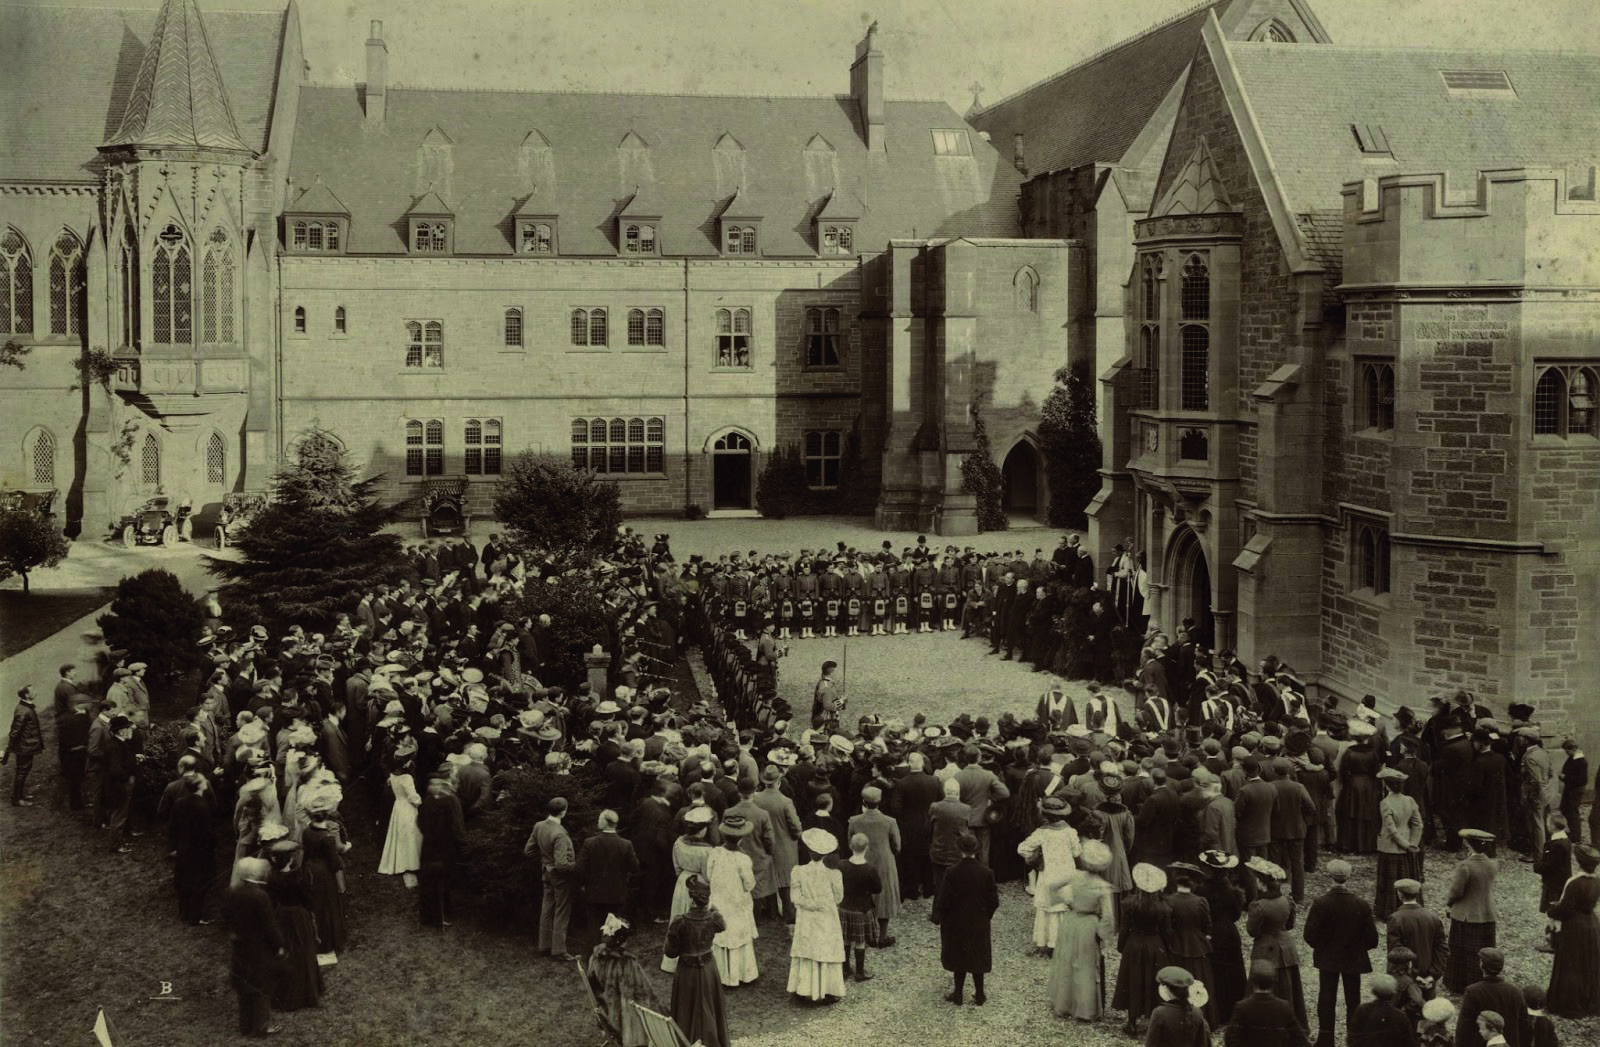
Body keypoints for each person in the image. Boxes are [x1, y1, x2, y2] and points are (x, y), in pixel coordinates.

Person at [1303, 859, 1377, 1047]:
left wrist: (1323, 948)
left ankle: (1325, 1039)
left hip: (1328, 959)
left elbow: (1309, 935)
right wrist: (1356, 949)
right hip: (1353, 959)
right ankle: (1354, 1039)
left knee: (1326, 998)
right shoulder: (1361, 904)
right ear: (1349, 877)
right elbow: (1372, 939)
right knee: (1354, 999)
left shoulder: (1321, 903)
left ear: (1330, 877)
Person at [1047, 839, 1115, 1021]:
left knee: (1067, 961)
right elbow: (1108, 916)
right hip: (1088, 924)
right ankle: (1084, 1010)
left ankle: (1064, 1005)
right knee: (1085, 966)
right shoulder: (1103, 887)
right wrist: (1103, 934)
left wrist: (1067, 901)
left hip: (1071, 920)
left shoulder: (1074, 875)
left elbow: (1052, 886)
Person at [931, 831, 998, 1006]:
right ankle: (980, 994)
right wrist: (986, 915)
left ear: (960, 849)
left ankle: (958, 994)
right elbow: (994, 901)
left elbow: (943, 900)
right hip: (978, 920)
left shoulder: (951, 872)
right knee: (978, 955)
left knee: (958, 955)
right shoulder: (987, 873)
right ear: (977, 850)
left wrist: (945, 919)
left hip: (956, 921)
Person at [663, 875, 730, 1047]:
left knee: (686, 1007)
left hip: (687, 972)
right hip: (708, 969)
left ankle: (686, 1040)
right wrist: (714, 909)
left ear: (691, 897)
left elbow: (670, 953)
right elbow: (722, 926)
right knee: (709, 1005)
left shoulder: (680, 922)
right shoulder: (714, 918)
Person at [1246, 856, 1307, 1032]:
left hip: (1265, 950)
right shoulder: (1287, 900)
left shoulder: (1258, 905)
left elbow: (1252, 932)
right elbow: (1290, 925)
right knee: (1288, 988)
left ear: (1261, 882)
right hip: (1286, 948)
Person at [227, 857, 286, 1037]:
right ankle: (261, 1027)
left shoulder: (232, 892)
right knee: (262, 988)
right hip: (260, 950)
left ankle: (245, 1026)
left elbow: (223, 916)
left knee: (244, 987)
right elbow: (270, 925)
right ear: (253, 874)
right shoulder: (260, 896)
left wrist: (232, 933)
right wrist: (279, 946)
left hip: (240, 948)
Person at [1017, 795, 1082, 955]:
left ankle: (1045, 942)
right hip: (1067, 873)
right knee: (1064, 908)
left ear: (1045, 815)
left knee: (1048, 909)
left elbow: (1022, 848)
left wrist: (1036, 856)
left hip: (1049, 873)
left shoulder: (1042, 833)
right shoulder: (1070, 831)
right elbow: (1077, 852)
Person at [1114, 863, 1174, 1037]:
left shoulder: (1130, 903)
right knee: (1154, 981)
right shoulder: (1163, 906)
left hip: (1134, 944)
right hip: (1156, 945)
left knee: (1133, 980)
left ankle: (1132, 1022)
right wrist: (1168, 949)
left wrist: (1122, 947)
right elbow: (1167, 931)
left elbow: (1124, 929)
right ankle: (1154, 1021)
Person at [788, 827, 847, 1003]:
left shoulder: (798, 871)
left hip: (806, 917)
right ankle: (828, 989)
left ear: (808, 850)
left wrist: (809, 905)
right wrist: (821, 904)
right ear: (826, 854)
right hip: (827, 917)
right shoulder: (834, 874)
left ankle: (804, 989)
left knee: (808, 948)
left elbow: (794, 897)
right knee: (825, 948)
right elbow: (839, 897)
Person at [264, 840, 323, 1012]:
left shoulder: (272, 877)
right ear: (289, 859)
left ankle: (285, 994)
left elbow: (271, 901)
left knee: (288, 952)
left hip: (282, 916)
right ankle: (306, 993)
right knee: (304, 951)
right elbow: (308, 900)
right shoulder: (299, 877)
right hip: (299, 918)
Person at [586, 915, 662, 1047]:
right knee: (655, 1009)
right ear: (622, 941)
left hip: (604, 1011)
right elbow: (642, 993)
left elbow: (594, 985)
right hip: (621, 1017)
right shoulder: (627, 964)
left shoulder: (595, 957)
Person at [1544, 842, 1599, 1017]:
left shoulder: (1574, 882)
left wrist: (1551, 910)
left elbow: (1565, 909)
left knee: (1572, 965)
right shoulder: (1597, 881)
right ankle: (1588, 1000)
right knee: (1588, 964)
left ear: (1578, 861)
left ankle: (1570, 1003)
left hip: (1574, 927)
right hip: (1592, 924)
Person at [706, 813, 759, 987]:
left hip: (719, 900)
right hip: (737, 902)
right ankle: (740, 974)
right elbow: (749, 884)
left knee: (721, 934)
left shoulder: (715, 853)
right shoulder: (743, 859)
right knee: (737, 934)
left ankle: (720, 974)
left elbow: (708, 875)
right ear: (741, 838)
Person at [846, 785, 901, 946]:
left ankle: (865, 934)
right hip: (884, 861)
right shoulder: (890, 821)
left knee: (862, 894)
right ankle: (882, 937)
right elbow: (897, 845)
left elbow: (850, 841)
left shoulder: (855, 820)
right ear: (880, 801)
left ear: (864, 801)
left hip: (862, 859)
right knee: (884, 895)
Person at [1445, 830, 1498, 993]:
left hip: (1466, 915)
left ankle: (1459, 984)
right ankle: (1481, 982)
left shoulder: (1465, 866)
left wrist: (1449, 903)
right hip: (1487, 913)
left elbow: (1456, 891)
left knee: (1461, 951)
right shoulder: (1493, 863)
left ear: (1469, 844)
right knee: (1482, 952)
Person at [526, 796, 577, 962]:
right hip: (559, 876)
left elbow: (528, 851)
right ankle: (559, 950)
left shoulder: (539, 826)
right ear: (564, 812)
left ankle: (544, 945)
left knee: (547, 907)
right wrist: (577, 867)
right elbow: (562, 865)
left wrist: (545, 860)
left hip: (546, 873)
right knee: (561, 911)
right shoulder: (559, 833)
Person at [1166, 864, 1218, 1028]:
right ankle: (1205, 1019)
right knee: (1200, 981)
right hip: (1197, 946)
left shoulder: (1169, 901)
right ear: (1193, 883)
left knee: (1177, 982)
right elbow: (1207, 926)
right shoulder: (1200, 901)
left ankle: (1176, 1019)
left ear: (1176, 882)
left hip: (1176, 946)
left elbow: (1168, 927)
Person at [1200, 850, 1249, 1024]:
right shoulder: (1234, 892)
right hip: (1229, 932)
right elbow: (1236, 915)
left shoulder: (1202, 889)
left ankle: (1217, 1011)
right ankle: (1232, 1012)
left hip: (1211, 932)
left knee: (1215, 971)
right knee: (1233, 971)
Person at [750, 766, 803, 924]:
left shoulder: (755, 799)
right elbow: (796, 827)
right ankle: (789, 914)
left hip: (762, 844)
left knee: (768, 876)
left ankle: (771, 912)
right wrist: (797, 835)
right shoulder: (786, 802)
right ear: (779, 782)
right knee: (786, 882)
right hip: (784, 845)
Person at [418, 773, 466, 928]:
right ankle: (442, 917)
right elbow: (457, 827)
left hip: (429, 848)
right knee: (443, 882)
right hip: (445, 848)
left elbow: (421, 824)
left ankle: (429, 916)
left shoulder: (427, 801)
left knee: (429, 882)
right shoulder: (450, 802)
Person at [1376, 766, 1424, 919]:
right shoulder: (1409, 800)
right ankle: (1410, 908)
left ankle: (1387, 911)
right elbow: (1418, 824)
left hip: (1390, 847)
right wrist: (1412, 844)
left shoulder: (1385, 802)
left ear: (1386, 784)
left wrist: (1405, 844)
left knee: (1389, 881)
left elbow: (1391, 829)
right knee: (1408, 876)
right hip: (1408, 845)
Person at [1225, 960, 1309, 1047]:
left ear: (1253, 982)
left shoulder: (1242, 1007)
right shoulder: (1284, 1006)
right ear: (1273, 983)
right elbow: (1300, 1038)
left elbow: (1231, 1037)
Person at [170, 772, 218, 925]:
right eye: (203, 781)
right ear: (199, 786)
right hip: (199, 850)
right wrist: (212, 846)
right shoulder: (203, 806)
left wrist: (175, 845)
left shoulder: (179, 802)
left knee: (184, 881)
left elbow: (172, 827)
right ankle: (195, 916)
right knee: (199, 883)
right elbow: (206, 833)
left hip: (183, 847)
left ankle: (183, 912)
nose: (206, 783)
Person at [1457, 949, 1527, 1047]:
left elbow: (1464, 1027)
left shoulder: (1473, 991)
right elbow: (1524, 1026)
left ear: (1481, 965)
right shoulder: (1516, 991)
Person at [1387, 879, 1446, 990]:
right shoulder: (1433, 917)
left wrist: (1413, 975)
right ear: (1417, 894)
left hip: (1404, 979)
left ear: (1400, 894)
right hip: (1428, 978)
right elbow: (1442, 949)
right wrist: (1433, 975)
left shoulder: (1396, 918)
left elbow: (1395, 952)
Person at [838, 833, 882, 981]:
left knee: (845, 939)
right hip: (862, 909)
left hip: (844, 907)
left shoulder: (841, 865)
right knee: (860, 941)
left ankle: (845, 970)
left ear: (850, 846)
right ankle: (859, 972)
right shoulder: (870, 869)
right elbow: (878, 889)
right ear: (867, 848)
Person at [377, 755, 423, 886]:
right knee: (410, 833)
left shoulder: (392, 775)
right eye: (409, 760)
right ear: (405, 764)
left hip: (398, 805)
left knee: (400, 834)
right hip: (408, 807)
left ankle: (401, 861)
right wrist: (420, 802)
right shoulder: (407, 777)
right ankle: (410, 863)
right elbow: (413, 796)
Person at [1145, 965, 1211, 1047]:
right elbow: (1202, 1044)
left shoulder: (1160, 1013)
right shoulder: (1197, 1012)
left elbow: (1150, 1044)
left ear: (1168, 990)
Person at [1347, 973, 1419, 1047]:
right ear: (1393, 993)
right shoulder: (1400, 1016)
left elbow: (1352, 1038)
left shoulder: (1362, 1010)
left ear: (1373, 991)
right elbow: (1409, 1043)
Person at [928, 777, 972, 897]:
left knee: (939, 886)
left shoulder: (935, 807)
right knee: (956, 886)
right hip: (956, 852)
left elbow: (930, 825)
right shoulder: (966, 809)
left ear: (944, 791)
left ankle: (938, 914)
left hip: (938, 850)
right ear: (958, 792)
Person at [2, 685, 44, 806]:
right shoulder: (24, 710)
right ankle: (17, 799)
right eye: (33, 690)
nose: (36, 691)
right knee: (22, 771)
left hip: (26, 746)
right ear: (26, 695)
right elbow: (15, 731)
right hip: (25, 747)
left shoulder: (25, 707)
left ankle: (19, 795)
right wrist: (10, 748)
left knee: (23, 770)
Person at [1532, 814, 1572, 914]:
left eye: (1548, 823)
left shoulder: (1556, 845)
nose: (1547, 825)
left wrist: (1537, 866)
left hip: (1555, 883)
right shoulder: (1566, 840)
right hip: (1561, 881)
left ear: (1552, 826)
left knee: (1553, 909)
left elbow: (1551, 865)